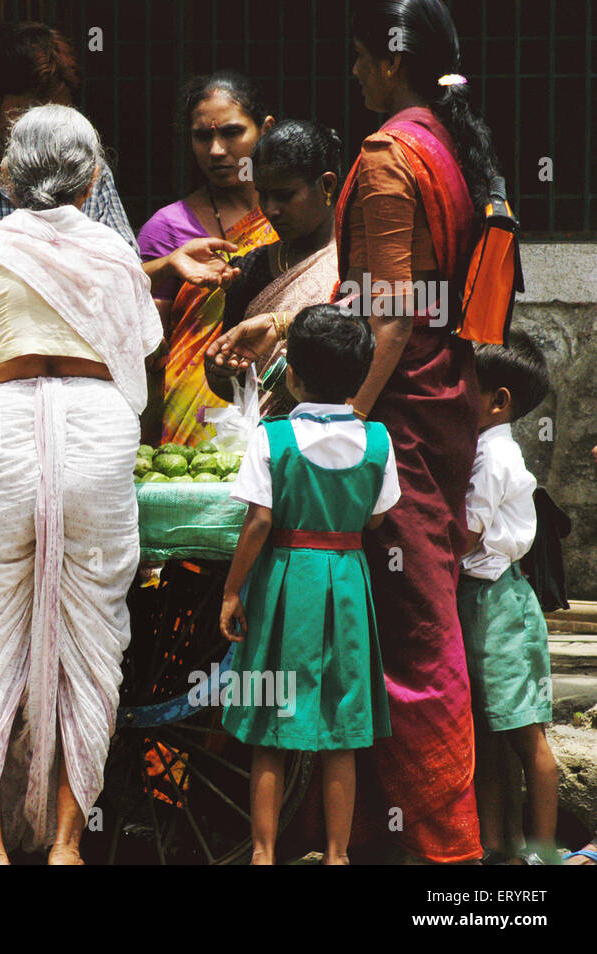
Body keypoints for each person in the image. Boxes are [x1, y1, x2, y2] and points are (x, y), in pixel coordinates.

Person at [209, 0, 502, 863]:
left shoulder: (385, 155)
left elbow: (392, 316)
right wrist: (295, 329)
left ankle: (449, 856)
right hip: (440, 400)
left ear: (390, 62)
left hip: (400, 409)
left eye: (360, 60)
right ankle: (359, 839)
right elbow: (388, 303)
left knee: (415, 645)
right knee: (398, 626)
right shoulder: (440, 144)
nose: (353, 74)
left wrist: (342, 424)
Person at [0, 105, 161, 864]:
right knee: (92, 638)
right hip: (96, 433)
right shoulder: (119, 255)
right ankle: (63, 845)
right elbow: (142, 357)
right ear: (94, 179)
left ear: (6, 175)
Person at [0, 22, 233, 392]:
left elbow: (121, 279)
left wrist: (167, 264)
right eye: (29, 114)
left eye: (57, 113)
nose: (46, 131)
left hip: (74, 410)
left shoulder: (90, 177)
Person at [220, 305, 398, 866]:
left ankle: (263, 853)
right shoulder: (378, 440)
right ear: (362, 374)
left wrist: (231, 592)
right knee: (342, 728)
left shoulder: (272, 438)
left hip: (284, 581)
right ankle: (338, 856)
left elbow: (259, 522)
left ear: (291, 373)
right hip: (346, 579)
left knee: (273, 723)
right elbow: (375, 519)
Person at [457, 334, 560, 865]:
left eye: (462, 387)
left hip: (499, 605)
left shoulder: (495, 455)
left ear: (498, 400)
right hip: (482, 600)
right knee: (492, 730)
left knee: (524, 733)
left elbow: (466, 533)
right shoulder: (484, 447)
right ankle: (499, 847)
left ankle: (543, 853)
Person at [145, 72, 278, 447]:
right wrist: (169, 265)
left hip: (279, 404)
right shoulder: (168, 227)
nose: (217, 150)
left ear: (266, 130)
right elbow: (145, 347)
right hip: (189, 422)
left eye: (232, 133)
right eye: (202, 136)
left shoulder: (296, 217)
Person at [204, 119, 344, 417]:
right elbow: (238, 383)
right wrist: (221, 371)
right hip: (268, 443)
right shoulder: (250, 268)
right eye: (262, 194)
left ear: (327, 185)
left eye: (284, 195)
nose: (270, 209)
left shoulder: (357, 263)